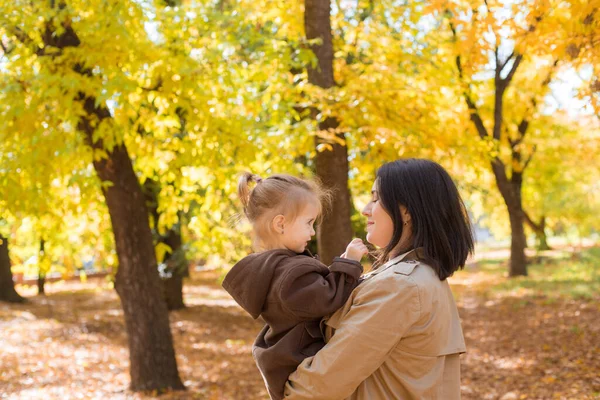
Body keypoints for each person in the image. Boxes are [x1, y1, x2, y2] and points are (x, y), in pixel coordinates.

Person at [284, 158, 474, 400]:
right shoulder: (422, 276)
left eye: (375, 198)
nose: (365, 209)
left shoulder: (399, 286)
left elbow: (319, 385)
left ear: (406, 211)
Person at [222, 172, 369, 400]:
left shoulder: (270, 268)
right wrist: (349, 263)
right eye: (309, 223)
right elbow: (327, 298)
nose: (312, 232)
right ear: (280, 223)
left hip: (288, 363)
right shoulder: (290, 273)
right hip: (303, 366)